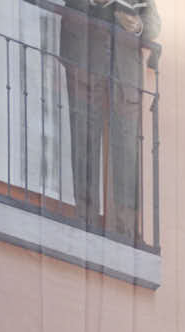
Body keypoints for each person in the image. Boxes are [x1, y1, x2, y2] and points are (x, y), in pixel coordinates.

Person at [61, 0, 159, 240]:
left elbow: (153, 25)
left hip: (124, 68)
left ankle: (124, 229)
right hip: (85, 54)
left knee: (126, 149)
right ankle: (85, 219)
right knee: (84, 139)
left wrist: (137, 25)